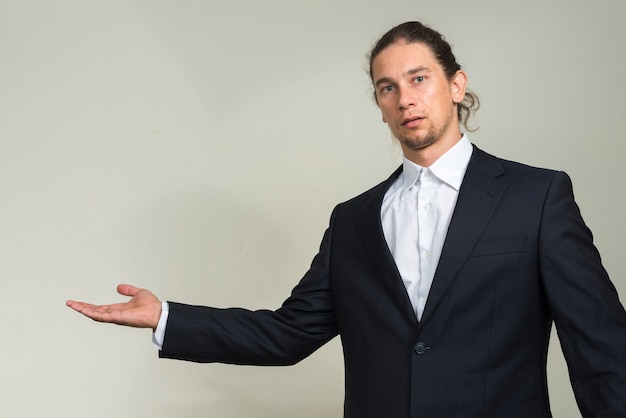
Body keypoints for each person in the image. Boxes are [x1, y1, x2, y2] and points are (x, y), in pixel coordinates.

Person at [66, 21, 626, 417]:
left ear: (456, 85)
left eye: (419, 78)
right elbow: (288, 334)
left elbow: (600, 347)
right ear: (379, 103)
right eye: (388, 87)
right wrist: (167, 316)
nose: (405, 97)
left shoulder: (537, 196)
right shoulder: (354, 221)